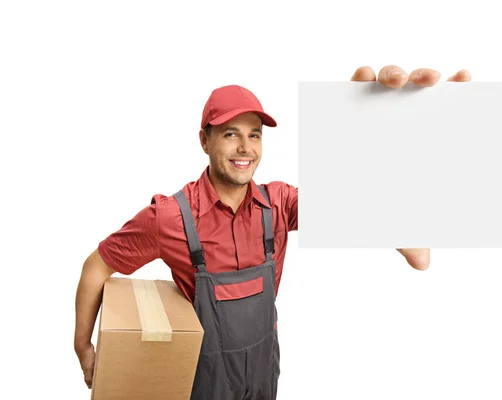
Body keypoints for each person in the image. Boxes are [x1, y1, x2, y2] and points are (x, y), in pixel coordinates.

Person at [74, 65, 472, 400]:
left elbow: (359, 206)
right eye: (230, 133)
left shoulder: (280, 204)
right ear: (204, 140)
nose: (245, 147)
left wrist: (390, 138)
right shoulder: (171, 217)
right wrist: (84, 347)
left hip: (265, 370)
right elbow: (97, 266)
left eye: (255, 134)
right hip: (202, 380)